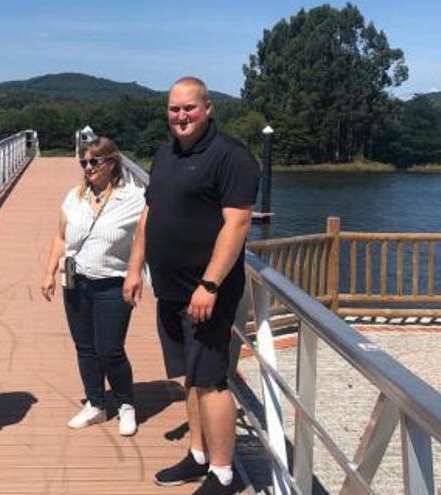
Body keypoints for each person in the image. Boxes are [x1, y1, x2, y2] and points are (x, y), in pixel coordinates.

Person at [123, 77, 260, 495]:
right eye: (174, 109)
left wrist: (210, 284)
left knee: (212, 380)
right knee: (192, 377)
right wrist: (134, 268)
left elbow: (237, 223)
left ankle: (222, 472)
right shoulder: (165, 155)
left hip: (206, 293)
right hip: (170, 288)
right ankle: (198, 454)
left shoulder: (231, 157)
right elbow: (149, 215)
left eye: (189, 108)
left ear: (208, 108)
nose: (181, 116)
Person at [40, 137, 145, 436]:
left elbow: (150, 235)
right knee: (84, 347)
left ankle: (126, 404)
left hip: (113, 281)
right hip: (74, 278)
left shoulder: (135, 198)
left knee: (110, 349)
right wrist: (48, 272)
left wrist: (137, 272)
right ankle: (96, 404)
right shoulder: (74, 197)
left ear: (112, 162)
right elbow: (60, 237)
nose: (88, 168)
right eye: (83, 163)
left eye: (94, 162)